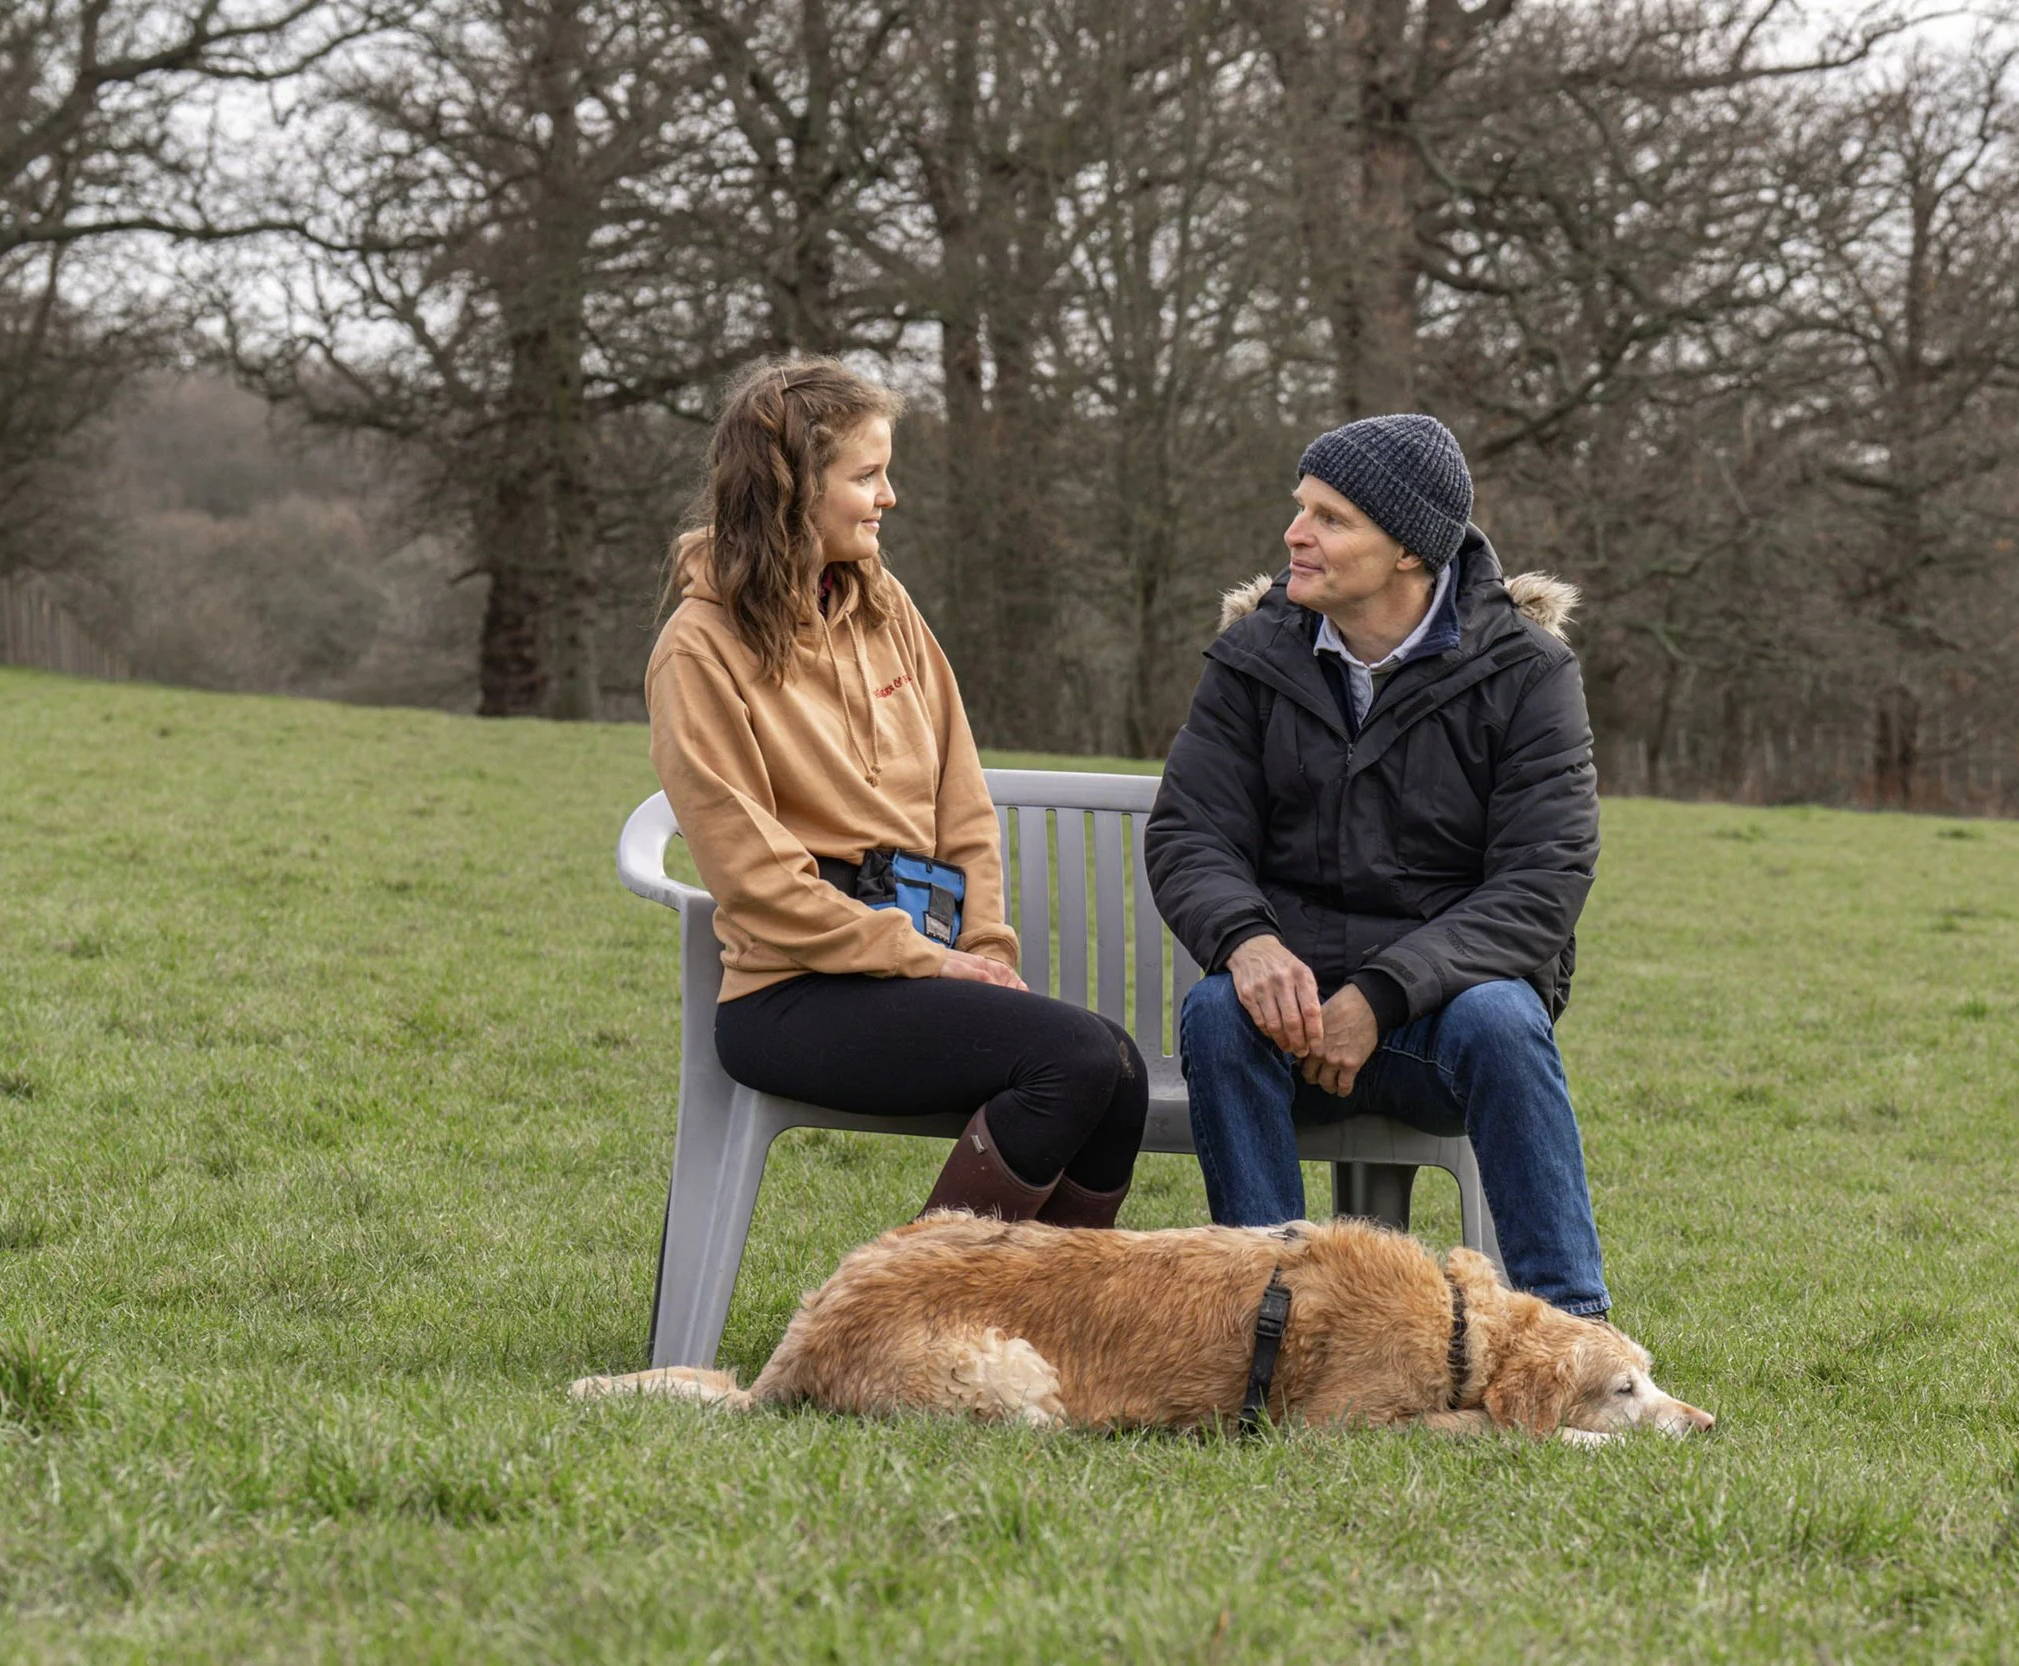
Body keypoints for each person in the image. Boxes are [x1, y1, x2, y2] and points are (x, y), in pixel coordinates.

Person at [645, 356, 1145, 1226]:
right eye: (867, 475)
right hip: (793, 990)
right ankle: (896, 1319)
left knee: (1121, 1071)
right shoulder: (698, 649)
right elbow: (756, 881)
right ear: (794, 489)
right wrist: (931, 961)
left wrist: (987, 951)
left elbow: (963, 803)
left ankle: (1046, 1343)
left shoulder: (887, 608)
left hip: (922, 962)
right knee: (1076, 1061)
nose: (890, 496)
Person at [1142, 413, 1611, 1318]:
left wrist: (1381, 997)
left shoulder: (1528, 671)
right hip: (1288, 1017)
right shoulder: (1253, 655)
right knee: (1216, 1012)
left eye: (1331, 518)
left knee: (1507, 1015)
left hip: (1446, 1027)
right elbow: (1189, 831)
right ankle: (1271, 1323)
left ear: (1407, 552)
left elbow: (1541, 884)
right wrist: (1246, 942)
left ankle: (1572, 1329)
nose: (1295, 535)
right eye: (1299, 508)